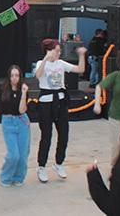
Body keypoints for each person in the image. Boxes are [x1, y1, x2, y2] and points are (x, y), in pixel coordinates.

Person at [35, 38, 87, 182]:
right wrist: (46, 58)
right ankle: (42, 166)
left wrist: (82, 55)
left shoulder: (61, 63)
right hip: (46, 102)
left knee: (64, 133)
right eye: (57, 50)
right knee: (46, 135)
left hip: (61, 101)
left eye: (59, 50)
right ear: (49, 50)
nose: (59, 53)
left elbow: (80, 69)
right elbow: (38, 75)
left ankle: (58, 163)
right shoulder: (41, 63)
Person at [0, 65, 30, 187]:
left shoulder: (24, 88)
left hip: (22, 121)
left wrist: (23, 93)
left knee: (22, 155)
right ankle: (5, 177)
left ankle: (18, 177)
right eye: (12, 75)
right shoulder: (1, 86)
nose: (14, 78)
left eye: (17, 75)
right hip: (7, 121)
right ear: (8, 76)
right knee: (13, 155)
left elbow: (22, 110)